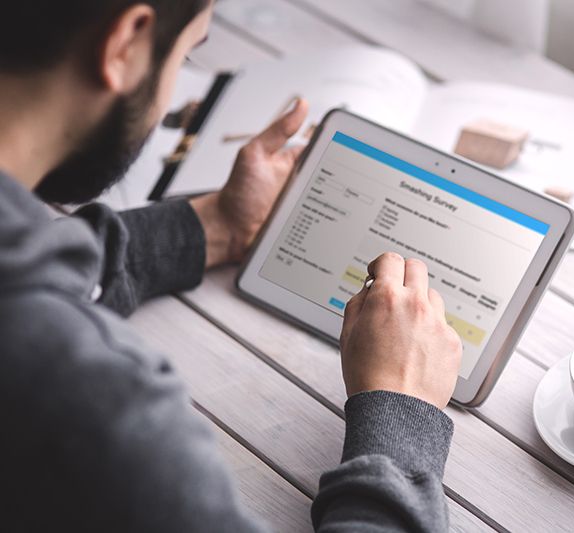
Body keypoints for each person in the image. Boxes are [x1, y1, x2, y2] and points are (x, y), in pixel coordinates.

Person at [0, 1, 463, 531]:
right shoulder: (94, 409)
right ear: (127, 42)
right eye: (186, 54)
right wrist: (400, 411)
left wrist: (215, 225)